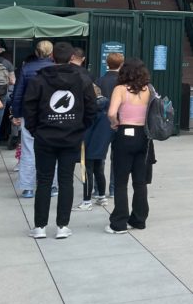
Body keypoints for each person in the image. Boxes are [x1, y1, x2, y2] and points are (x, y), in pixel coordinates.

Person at [23, 42, 97, 240]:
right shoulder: (82, 78)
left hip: (45, 136)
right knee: (66, 181)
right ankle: (62, 226)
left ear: (52, 57)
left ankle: (40, 226)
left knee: (44, 180)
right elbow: (91, 107)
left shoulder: (40, 79)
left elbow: (29, 107)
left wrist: (35, 130)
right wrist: (80, 128)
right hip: (71, 136)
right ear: (72, 56)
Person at [106, 58, 154, 234]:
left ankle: (119, 222)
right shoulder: (148, 89)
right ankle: (139, 219)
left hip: (125, 133)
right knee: (140, 181)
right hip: (144, 135)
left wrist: (115, 123)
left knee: (120, 181)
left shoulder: (120, 89)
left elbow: (111, 112)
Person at [10, 40, 54, 199]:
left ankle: (28, 187)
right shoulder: (55, 69)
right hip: (51, 114)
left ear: (36, 52)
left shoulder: (26, 68)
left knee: (28, 151)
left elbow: (18, 94)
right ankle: (52, 185)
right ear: (51, 53)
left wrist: (16, 113)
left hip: (29, 114)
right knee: (51, 150)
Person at [79, 52, 123, 211]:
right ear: (121, 64)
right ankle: (112, 188)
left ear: (107, 62)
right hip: (119, 122)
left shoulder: (100, 81)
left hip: (100, 124)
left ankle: (98, 190)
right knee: (116, 158)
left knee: (98, 160)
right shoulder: (123, 82)